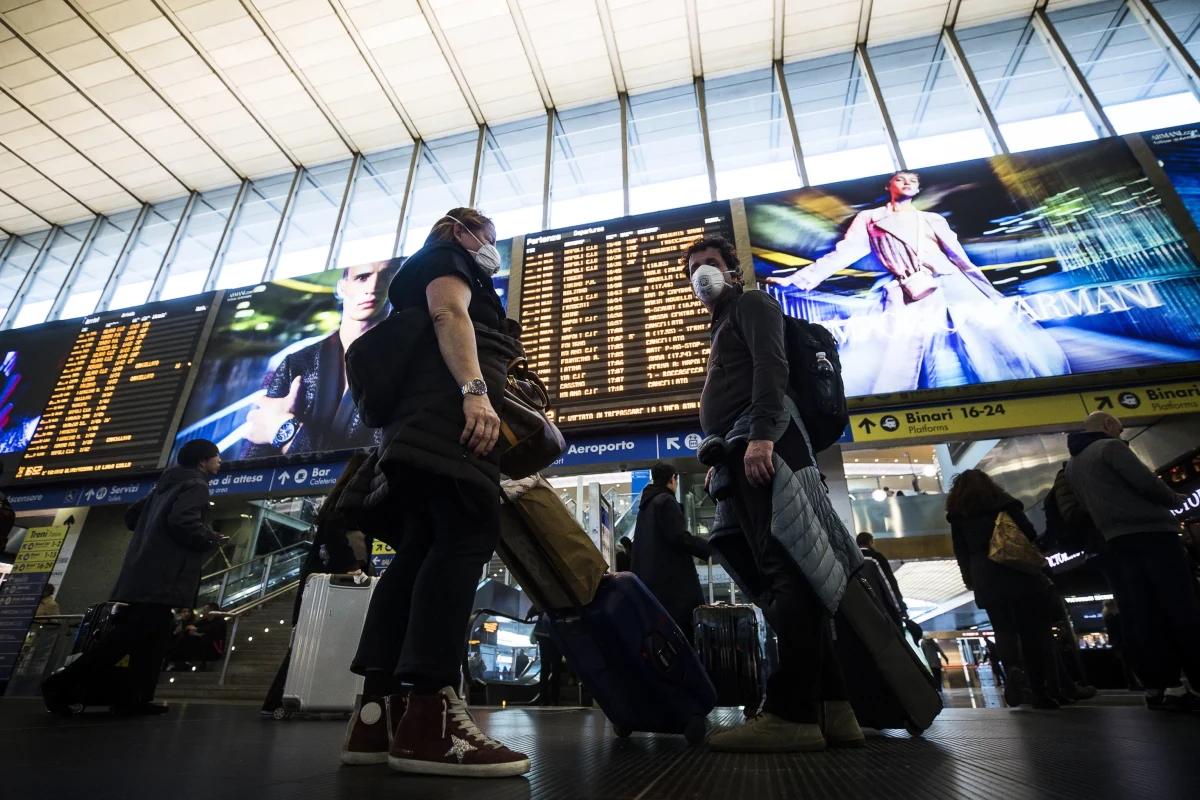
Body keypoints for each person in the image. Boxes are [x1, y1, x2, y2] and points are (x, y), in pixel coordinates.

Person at [336, 208, 530, 777]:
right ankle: (431, 717)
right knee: (467, 535)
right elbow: (449, 312)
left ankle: (377, 717)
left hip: (416, 433)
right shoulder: (446, 259)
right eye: (488, 240)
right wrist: (476, 393)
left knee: (419, 552)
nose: (492, 249)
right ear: (459, 231)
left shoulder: (419, 274)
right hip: (451, 425)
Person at [687, 235, 865, 753]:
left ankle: (791, 714)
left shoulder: (751, 302)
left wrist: (762, 434)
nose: (702, 274)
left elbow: (772, 366)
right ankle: (833, 709)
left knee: (787, 568)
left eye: (711, 264)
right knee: (791, 568)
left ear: (732, 271)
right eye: (694, 268)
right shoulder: (722, 322)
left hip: (767, 440)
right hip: (742, 445)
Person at [766, 171, 1068, 394]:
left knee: (987, 350)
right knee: (903, 361)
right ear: (889, 185)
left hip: (952, 287)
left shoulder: (932, 219)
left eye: (913, 180)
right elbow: (843, 254)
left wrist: (988, 291)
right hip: (909, 291)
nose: (908, 183)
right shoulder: (870, 219)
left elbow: (960, 258)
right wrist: (798, 280)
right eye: (901, 179)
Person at [41, 440, 226, 716]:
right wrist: (211, 538)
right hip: (164, 577)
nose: (220, 462)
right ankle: (60, 684)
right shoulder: (197, 484)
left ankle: (134, 698)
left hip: (142, 572)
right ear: (203, 461)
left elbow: (131, 516)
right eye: (217, 457)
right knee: (129, 638)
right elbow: (183, 522)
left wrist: (154, 534)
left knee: (154, 637)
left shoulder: (165, 484)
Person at [1065, 412, 1200, 711]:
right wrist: (1175, 499)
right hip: (1153, 533)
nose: (1122, 434)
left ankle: (1166, 686)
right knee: (1181, 607)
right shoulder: (1110, 448)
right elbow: (1147, 483)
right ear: (1107, 426)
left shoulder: (1073, 465)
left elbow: (1085, 505)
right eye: (1120, 428)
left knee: (1145, 614)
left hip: (1117, 541)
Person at [242, 260, 396, 457]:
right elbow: (253, 456)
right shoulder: (296, 363)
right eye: (362, 277)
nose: (373, 288)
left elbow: (380, 463)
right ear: (341, 287)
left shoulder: (404, 366)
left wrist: (286, 432)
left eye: (387, 276)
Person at [261, 451, 373, 717]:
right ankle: (276, 701)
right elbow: (337, 538)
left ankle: (310, 699)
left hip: (340, 579)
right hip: (333, 580)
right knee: (305, 641)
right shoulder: (348, 498)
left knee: (318, 641)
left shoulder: (347, 497)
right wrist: (352, 566)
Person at [947, 468, 1060, 709]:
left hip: (985, 577)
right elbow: (1028, 533)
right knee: (1031, 632)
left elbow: (961, 552)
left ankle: (1013, 668)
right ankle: (1039, 691)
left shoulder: (958, 517)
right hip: (1018, 572)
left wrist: (971, 579)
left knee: (1003, 629)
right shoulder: (1005, 504)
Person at [630, 462, 713, 638]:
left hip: (652, 585)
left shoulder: (645, 507)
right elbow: (677, 538)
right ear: (672, 479)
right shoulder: (666, 501)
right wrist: (708, 546)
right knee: (683, 635)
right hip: (672, 586)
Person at [856, 532, 906, 617]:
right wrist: (900, 608)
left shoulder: (849, 560)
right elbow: (888, 583)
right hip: (881, 609)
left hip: (859, 612)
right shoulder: (875, 558)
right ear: (870, 542)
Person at [167, 603, 226, 669]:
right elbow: (189, 628)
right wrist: (196, 633)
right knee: (186, 638)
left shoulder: (220, 622)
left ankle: (179, 661)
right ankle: (179, 661)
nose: (202, 612)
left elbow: (210, 630)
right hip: (203, 646)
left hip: (215, 649)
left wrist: (197, 630)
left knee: (189, 640)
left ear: (211, 611)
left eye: (204, 610)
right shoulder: (205, 620)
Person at [1103, 599, 1142, 691]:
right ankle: (1134, 683)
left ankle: (1133, 683)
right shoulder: (1114, 617)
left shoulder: (1107, 617)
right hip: (1123, 643)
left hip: (1118, 644)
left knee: (1127, 664)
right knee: (1130, 663)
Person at [531, 614, 562, 707]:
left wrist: (529, 614)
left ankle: (543, 698)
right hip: (557, 633)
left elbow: (535, 607)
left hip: (543, 633)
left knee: (545, 668)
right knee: (556, 669)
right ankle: (554, 698)